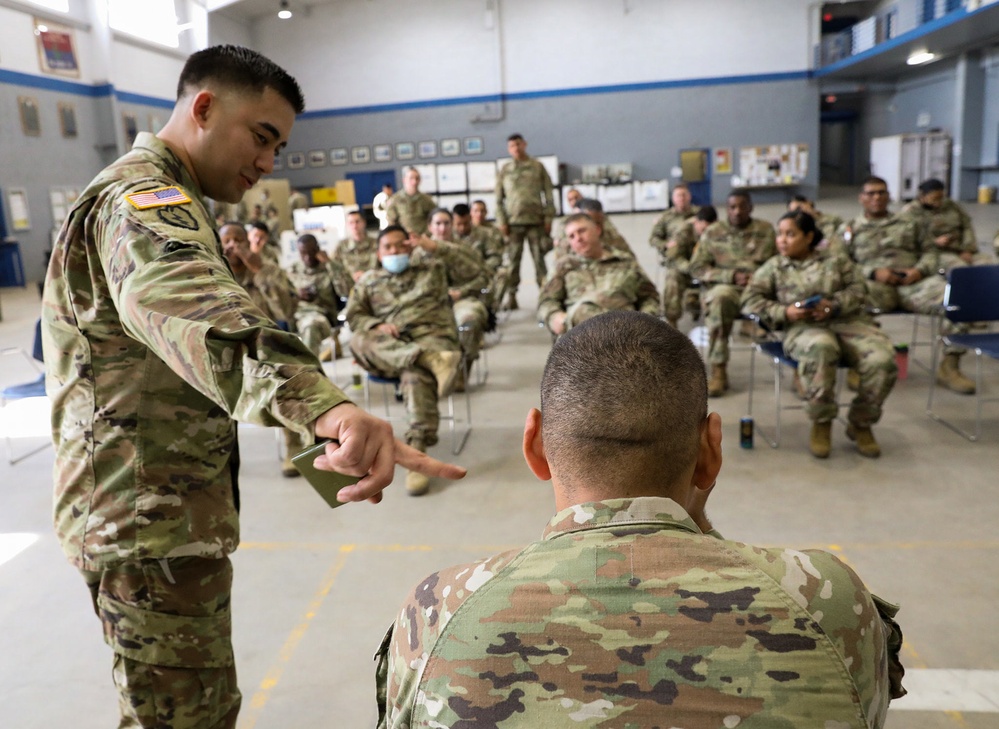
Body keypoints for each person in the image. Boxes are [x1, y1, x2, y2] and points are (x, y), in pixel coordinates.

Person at [40, 45, 464, 728]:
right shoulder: (143, 199)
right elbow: (190, 310)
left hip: (161, 511)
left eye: (279, 146)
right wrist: (323, 407)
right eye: (261, 137)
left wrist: (311, 431)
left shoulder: (175, 199)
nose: (269, 162)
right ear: (203, 108)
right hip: (146, 523)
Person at [376, 311, 905, 728]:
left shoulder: (438, 613)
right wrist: (698, 531)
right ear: (711, 450)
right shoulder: (826, 600)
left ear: (534, 446)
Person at [741, 211, 897, 458]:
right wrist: (785, 311)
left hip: (848, 323)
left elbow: (860, 291)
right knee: (822, 348)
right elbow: (750, 301)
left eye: (790, 234)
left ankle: (861, 423)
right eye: (780, 234)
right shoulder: (774, 267)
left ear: (809, 236)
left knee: (882, 360)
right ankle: (821, 422)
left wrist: (833, 305)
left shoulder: (836, 261)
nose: (782, 240)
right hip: (804, 329)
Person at [345, 225, 464, 496]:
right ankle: (429, 360)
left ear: (411, 247)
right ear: (379, 252)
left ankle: (417, 454)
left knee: (413, 374)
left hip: (432, 338)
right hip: (391, 347)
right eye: (388, 247)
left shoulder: (432, 269)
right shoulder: (368, 281)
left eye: (401, 245)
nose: (395, 251)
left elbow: (475, 271)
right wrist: (377, 325)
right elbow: (354, 317)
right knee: (358, 340)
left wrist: (434, 246)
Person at [834, 176, 976, 394]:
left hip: (914, 284)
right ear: (861, 198)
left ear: (889, 196)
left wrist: (919, 270)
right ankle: (860, 364)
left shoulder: (910, 223)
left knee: (958, 300)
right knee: (850, 303)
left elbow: (931, 252)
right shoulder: (849, 229)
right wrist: (872, 272)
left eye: (881, 192)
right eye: (871, 193)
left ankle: (950, 366)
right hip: (874, 286)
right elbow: (840, 264)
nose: (877, 197)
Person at [689, 189, 777, 397]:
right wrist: (731, 276)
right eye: (732, 207)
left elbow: (779, 263)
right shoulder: (713, 232)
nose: (737, 212)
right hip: (727, 288)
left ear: (751, 208)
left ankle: (802, 371)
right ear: (726, 209)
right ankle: (719, 370)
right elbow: (697, 268)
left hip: (760, 289)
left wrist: (759, 278)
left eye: (742, 206)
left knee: (795, 299)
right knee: (719, 299)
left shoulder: (765, 230)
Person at [538, 213, 659, 336]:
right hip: (579, 339)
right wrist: (554, 317)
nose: (578, 238)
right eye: (572, 236)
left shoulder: (625, 262)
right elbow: (546, 301)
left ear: (597, 230)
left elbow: (650, 296)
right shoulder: (563, 267)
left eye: (582, 231)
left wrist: (645, 320)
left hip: (625, 337)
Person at [421, 208, 491, 370]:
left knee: (469, 320)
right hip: (429, 304)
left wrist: (462, 292)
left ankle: (463, 367)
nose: (442, 228)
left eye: (446, 223)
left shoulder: (465, 249)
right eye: (437, 224)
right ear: (430, 227)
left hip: (461, 299)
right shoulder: (419, 252)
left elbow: (483, 277)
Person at [494, 133, 556, 310]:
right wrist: (501, 221)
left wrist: (549, 217)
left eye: (519, 144)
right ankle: (512, 296)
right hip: (513, 224)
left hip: (536, 221)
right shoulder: (505, 170)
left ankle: (546, 297)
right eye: (512, 146)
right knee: (513, 262)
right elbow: (498, 199)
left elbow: (549, 194)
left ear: (525, 144)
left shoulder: (537, 167)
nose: (516, 148)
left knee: (539, 261)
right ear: (509, 149)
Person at [898, 178, 988, 272]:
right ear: (922, 196)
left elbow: (966, 226)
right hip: (937, 252)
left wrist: (967, 249)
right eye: (934, 199)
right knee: (961, 270)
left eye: (941, 197)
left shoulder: (951, 206)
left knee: (988, 265)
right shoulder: (911, 212)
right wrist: (934, 242)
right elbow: (908, 239)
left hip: (961, 249)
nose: (939, 202)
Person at [287, 232, 341, 360]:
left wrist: (329, 263)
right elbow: (283, 296)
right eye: (303, 253)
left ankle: (309, 373)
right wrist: (297, 295)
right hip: (296, 316)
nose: (307, 257)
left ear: (317, 249)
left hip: (322, 315)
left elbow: (345, 291)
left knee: (310, 326)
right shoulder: (292, 270)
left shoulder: (330, 267)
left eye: (311, 252)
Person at [661, 205, 718, 327]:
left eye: (709, 230)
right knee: (672, 277)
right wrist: (690, 268)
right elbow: (673, 257)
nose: (705, 234)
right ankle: (672, 321)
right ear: (696, 222)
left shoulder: (719, 231)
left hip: (709, 269)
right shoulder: (683, 231)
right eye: (702, 230)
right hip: (687, 269)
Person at [453, 202, 508, 315]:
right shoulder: (448, 236)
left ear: (470, 218)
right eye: (458, 224)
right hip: (456, 275)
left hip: (480, 272)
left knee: (503, 273)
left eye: (466, 223)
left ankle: (491, 309)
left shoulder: (484, 234)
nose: (462, 227)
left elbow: (495, 257)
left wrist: (481, 268)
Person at [329, 209, 379, 299]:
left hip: (376, 289)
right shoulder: (341, 246)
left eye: (357, 222)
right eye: (351, 223)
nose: (354, 226)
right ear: (347, 225)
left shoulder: (376, 243)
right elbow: (335, 269)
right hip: (350, 292)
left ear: (364, 223)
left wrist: (367, 275)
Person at [385, 167, 436, 235]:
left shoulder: (426, 200)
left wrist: (426, 235)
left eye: (417, 178)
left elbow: (434, 218)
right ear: (404, 180)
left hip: (423, 238)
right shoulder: (395, 200)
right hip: (403, 238)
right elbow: (391, 222)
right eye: (411, 178)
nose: (414, 182)